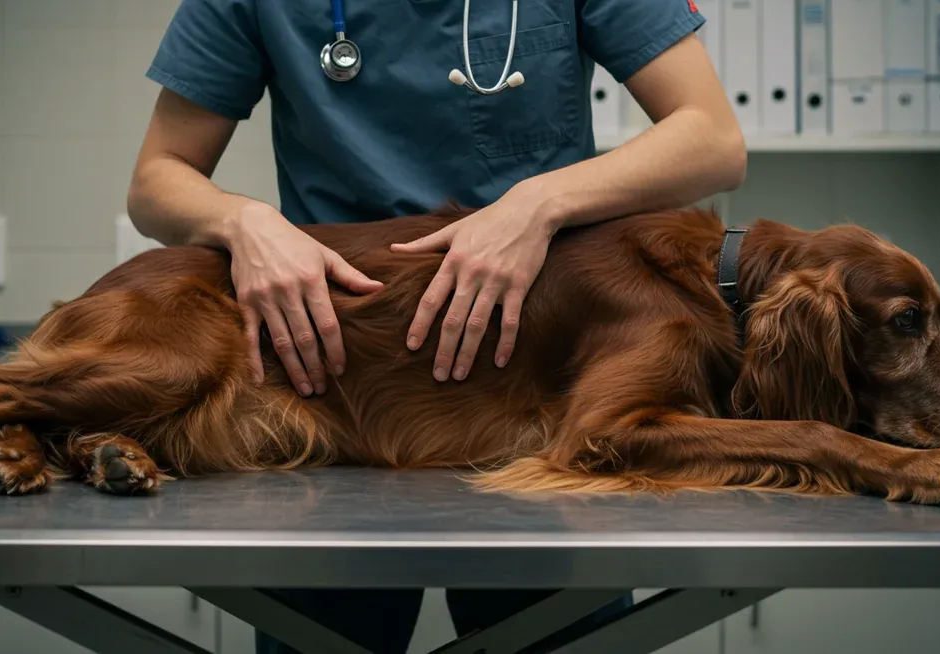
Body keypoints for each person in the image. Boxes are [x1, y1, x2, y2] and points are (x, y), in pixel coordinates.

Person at [126, 0, 745, 650]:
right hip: (333, 384)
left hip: (542, 380)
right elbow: (157, 177)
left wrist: (537, 203)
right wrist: (242, 221)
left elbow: (713, 141)